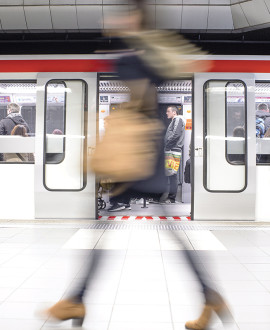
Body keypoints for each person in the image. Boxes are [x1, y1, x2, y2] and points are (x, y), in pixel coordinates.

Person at [44, 2, 231, 330]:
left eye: (124, 14)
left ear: (136, 19)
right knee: (157, 229)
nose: (114, 19)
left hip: (136, 160)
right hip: (144, 157)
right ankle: (209, 295)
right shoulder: (149, 56)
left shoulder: (133, 58)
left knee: (104, 229)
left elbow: (138, 97)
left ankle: (76, 299)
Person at [161, 105, 185, 204]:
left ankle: (171, 198)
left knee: (172, 174)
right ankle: (171, 198)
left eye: (168, 111)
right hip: (172, 149)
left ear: (174, 112)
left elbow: (176, 134)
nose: (167, 113)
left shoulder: (178, 119)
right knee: (171, 174)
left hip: (172, 150)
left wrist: (167, 145)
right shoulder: (175, 120)